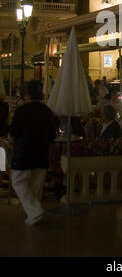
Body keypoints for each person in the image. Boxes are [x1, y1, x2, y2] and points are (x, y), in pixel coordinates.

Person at [9, 80, 57, 226]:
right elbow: (51, 136)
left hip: (24, 153)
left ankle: (35, 213)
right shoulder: (47, 111)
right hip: (41, 152)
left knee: (19, 182)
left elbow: (14, 133)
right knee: (36, 186)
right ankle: (34, 214)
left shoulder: (22, 110)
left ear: (27, 94)